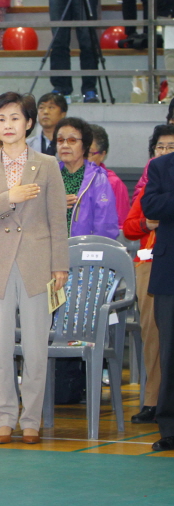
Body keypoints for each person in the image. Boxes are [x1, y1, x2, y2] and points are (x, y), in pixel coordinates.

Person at [0, 91, 69, 444]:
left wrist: (61, 266)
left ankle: (31, 420)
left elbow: (58, 219)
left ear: (28, 123)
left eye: (15, 118)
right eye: (1, 119)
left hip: (37, 263)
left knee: (37, 347)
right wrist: (7, 198)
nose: (8, 125)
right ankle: (5, 417)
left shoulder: (48, 164)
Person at [123, 125, 174, 428]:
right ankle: (162, 414)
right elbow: (145, 212)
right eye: (161, 146)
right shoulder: (159, 170)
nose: (166, 151)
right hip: (158, 265)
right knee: (161, 342)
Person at [137, 135, 174, 451]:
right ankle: (170, 428)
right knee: (169, 352)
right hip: (170, 271)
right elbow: (150, 205)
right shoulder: (161, 166)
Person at [55, 117, 119, 239]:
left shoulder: (98, 179)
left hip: (84, 251)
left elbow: (105, 225)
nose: (65, 145)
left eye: (72, 140)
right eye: (60, 140)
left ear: (85, 146)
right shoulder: (48, 175)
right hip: (51, 250)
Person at [87, 124, 128, 229]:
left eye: (89, 153)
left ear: (102, 155)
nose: (83, 157)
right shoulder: (64, 178)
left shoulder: (113, 183)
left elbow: (121, 225)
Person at [27, 92, 66, 156]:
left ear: (63, 114)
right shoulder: (27, 145)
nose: (45, 112)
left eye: (51, 107)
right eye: (41, 108)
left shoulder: (71, 143)